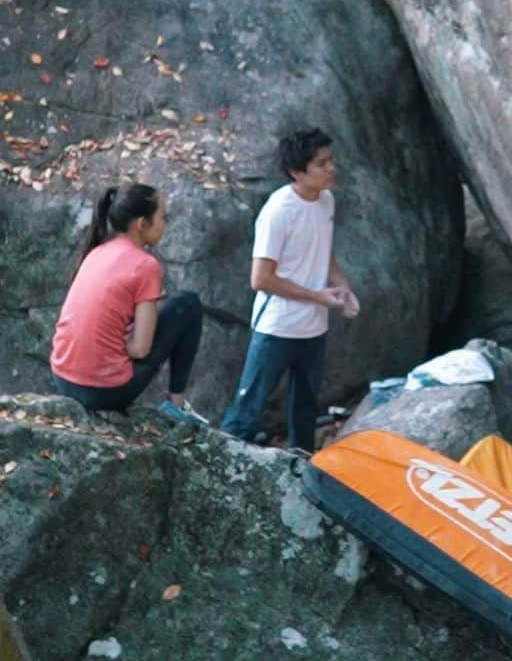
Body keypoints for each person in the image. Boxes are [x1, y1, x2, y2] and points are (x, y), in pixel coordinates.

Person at [220, 127, 359, 454]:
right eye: (322, 164)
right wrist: (316, 296)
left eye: (331, 160)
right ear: (297, 172)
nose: (331, 169)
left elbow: (322, 249)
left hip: (314, 325)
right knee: (248, 407)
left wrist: (342, 287)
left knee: (305, 410)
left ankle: (302, 470)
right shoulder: (278, 211)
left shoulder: (326, 200)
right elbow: (261, 278)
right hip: (278, 326)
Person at [50, 183, 204, 424]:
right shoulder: (146, 265)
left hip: (62, 378)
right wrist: (125, 341)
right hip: (103, 392)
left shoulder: (97, 251)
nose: (166, 224)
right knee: (188, 304)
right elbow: (140, 349)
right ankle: (177, 404)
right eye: (163, 217)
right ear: (142, 224)